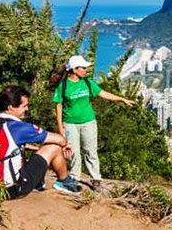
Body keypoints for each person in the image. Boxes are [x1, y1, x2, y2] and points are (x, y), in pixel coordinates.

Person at [53, 55, 135, 191]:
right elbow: (59, 106)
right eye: (83, 68)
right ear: (74, 69)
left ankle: (96, 178)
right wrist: (60, 127)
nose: (86, 70)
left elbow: (103, 93)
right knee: (73, 152)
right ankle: (74, 177)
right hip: (70, 123)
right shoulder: (63, 86)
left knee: (90, 150)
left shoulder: (87, 82)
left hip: (88, 122)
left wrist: (121, 99)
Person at [0, 85, 82, 198]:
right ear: (11, 107)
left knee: (17, 150)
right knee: (53, 146)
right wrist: (65, 144)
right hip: (12, 189)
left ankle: (38, 182)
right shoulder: (19, 127)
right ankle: (64, 182)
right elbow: (59, 139)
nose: (27, 109)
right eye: (24, 106)